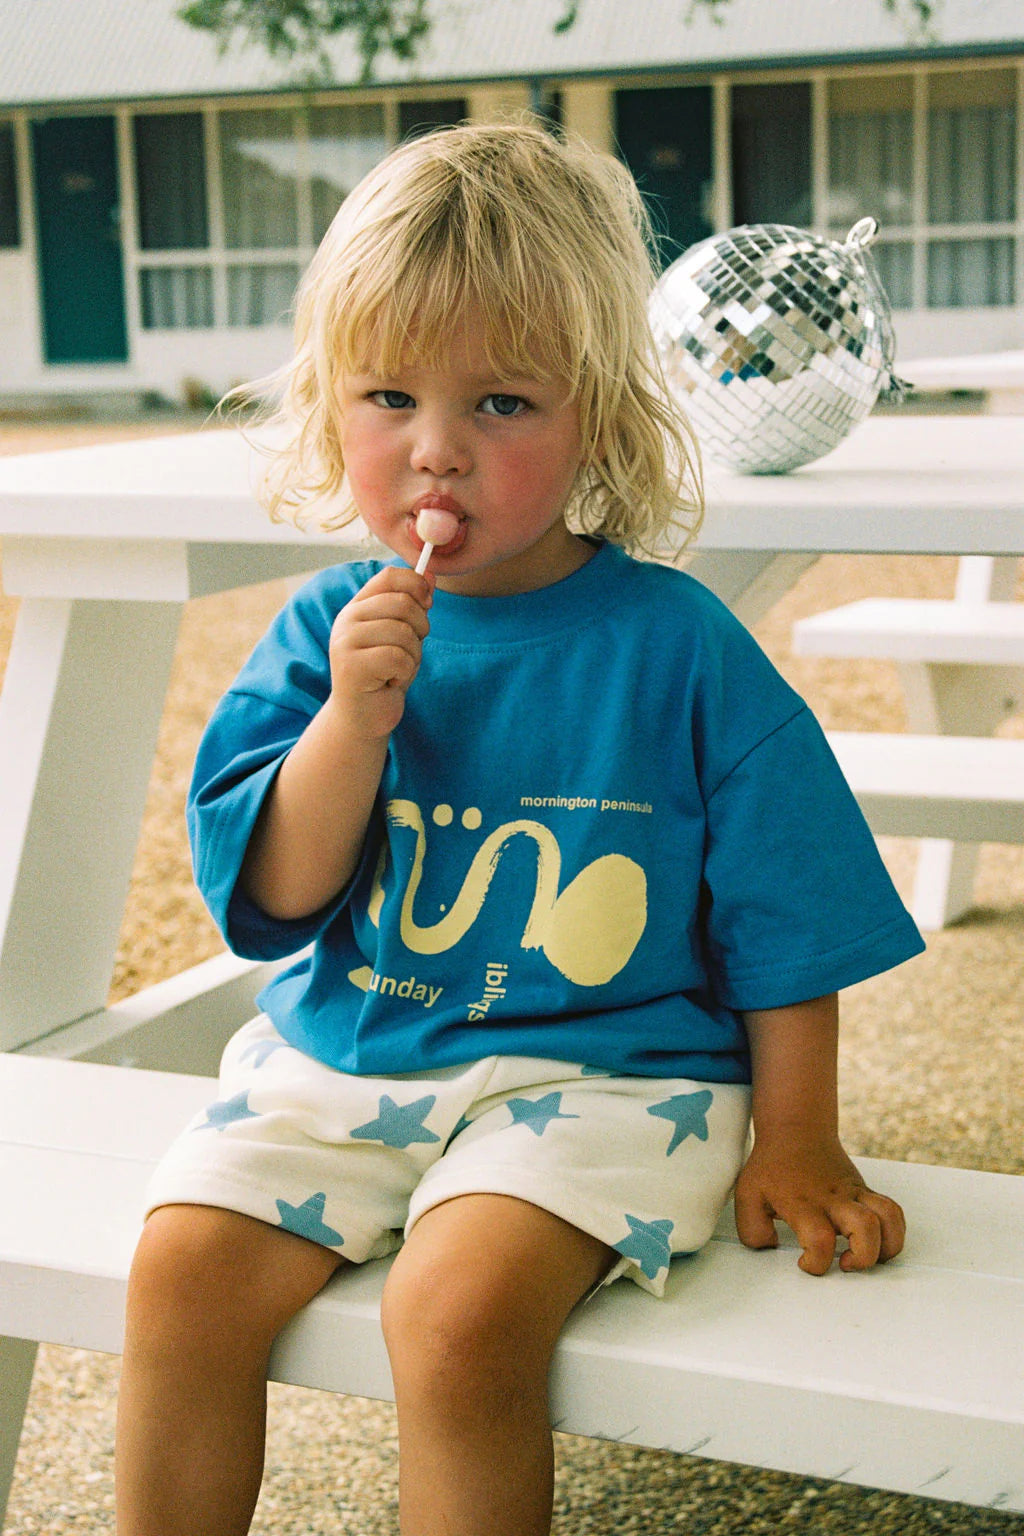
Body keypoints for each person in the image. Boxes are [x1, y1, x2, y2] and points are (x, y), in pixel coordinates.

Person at [115, 121, 925, 1536]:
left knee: (458, 1309)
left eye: (502, 405)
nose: (436, 453)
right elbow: (278, 898)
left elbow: (789, 916)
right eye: (387, 397)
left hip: (603, 1073)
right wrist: (346, 733)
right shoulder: (321, 636)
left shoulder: (676, 647)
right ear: (328, 408)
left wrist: (797, 1138)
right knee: (178, 1274)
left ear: (600, 416)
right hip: (342, 1052)